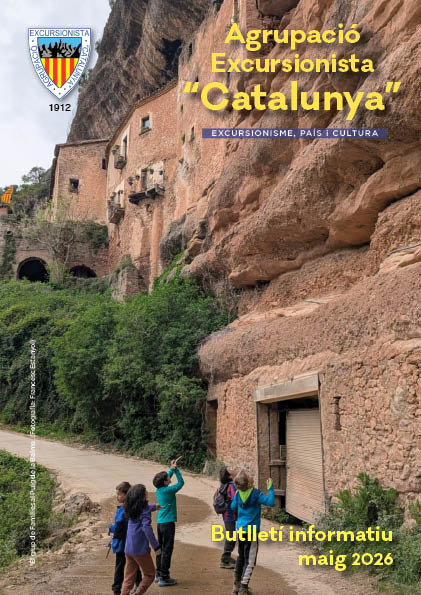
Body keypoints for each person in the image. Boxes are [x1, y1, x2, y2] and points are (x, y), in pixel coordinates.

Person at [230, 470, 274, 595]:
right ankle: (244, 587)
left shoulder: (238, 493)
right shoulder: (256, 494)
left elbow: (232, 507)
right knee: (250, 560)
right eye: (248, 476)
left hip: (240, 530)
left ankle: (236, 585)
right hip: (252, 532)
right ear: (248, 482)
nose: (250, 476)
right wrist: (270, 488)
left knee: (241, 556)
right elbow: (271, 502)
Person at [121, 484, 161, 595]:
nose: (147, 492)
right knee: (150, 574)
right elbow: (147, 528)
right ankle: (138, 593)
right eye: (145, 491)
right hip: (140, 550)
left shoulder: (130, 508)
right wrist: (156, 546)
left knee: (128, 577)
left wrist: (154, 507)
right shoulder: (144, 510)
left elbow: (145, 509)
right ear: (142, 496)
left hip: (128, 548)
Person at [153, 457, 184, 586]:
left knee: (160, 549)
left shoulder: (160, 489)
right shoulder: (168, 490)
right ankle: (164, 577)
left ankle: (158, 574)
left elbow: (166, 480)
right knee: (167, 550)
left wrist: (171, 469)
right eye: (167, 478)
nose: (169, 478)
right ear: (165, 482)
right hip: (168, 524)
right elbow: (181, 483)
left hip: (160, 523)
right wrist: (176, 471)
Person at [109, 481, 142, 595]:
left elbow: (118, 526)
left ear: (126, 494)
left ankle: (117, 589)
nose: (117, 497)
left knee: (119, 566)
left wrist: (111, 528)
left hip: (122, 543)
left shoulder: (122, 510)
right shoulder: (134, 508)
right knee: (134, 563)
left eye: (119, 494)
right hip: (132, 542)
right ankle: (138, 583)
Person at [219, 467, 237, 569]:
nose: (232, 468)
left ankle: (227, 557)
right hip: (229, 515)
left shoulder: (225, 485)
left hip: (227, 514)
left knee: (231, 536)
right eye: (230, 469)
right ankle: (224, 560)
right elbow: (236, 500)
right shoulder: (231, 486)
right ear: (230, 476)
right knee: (231, 537)